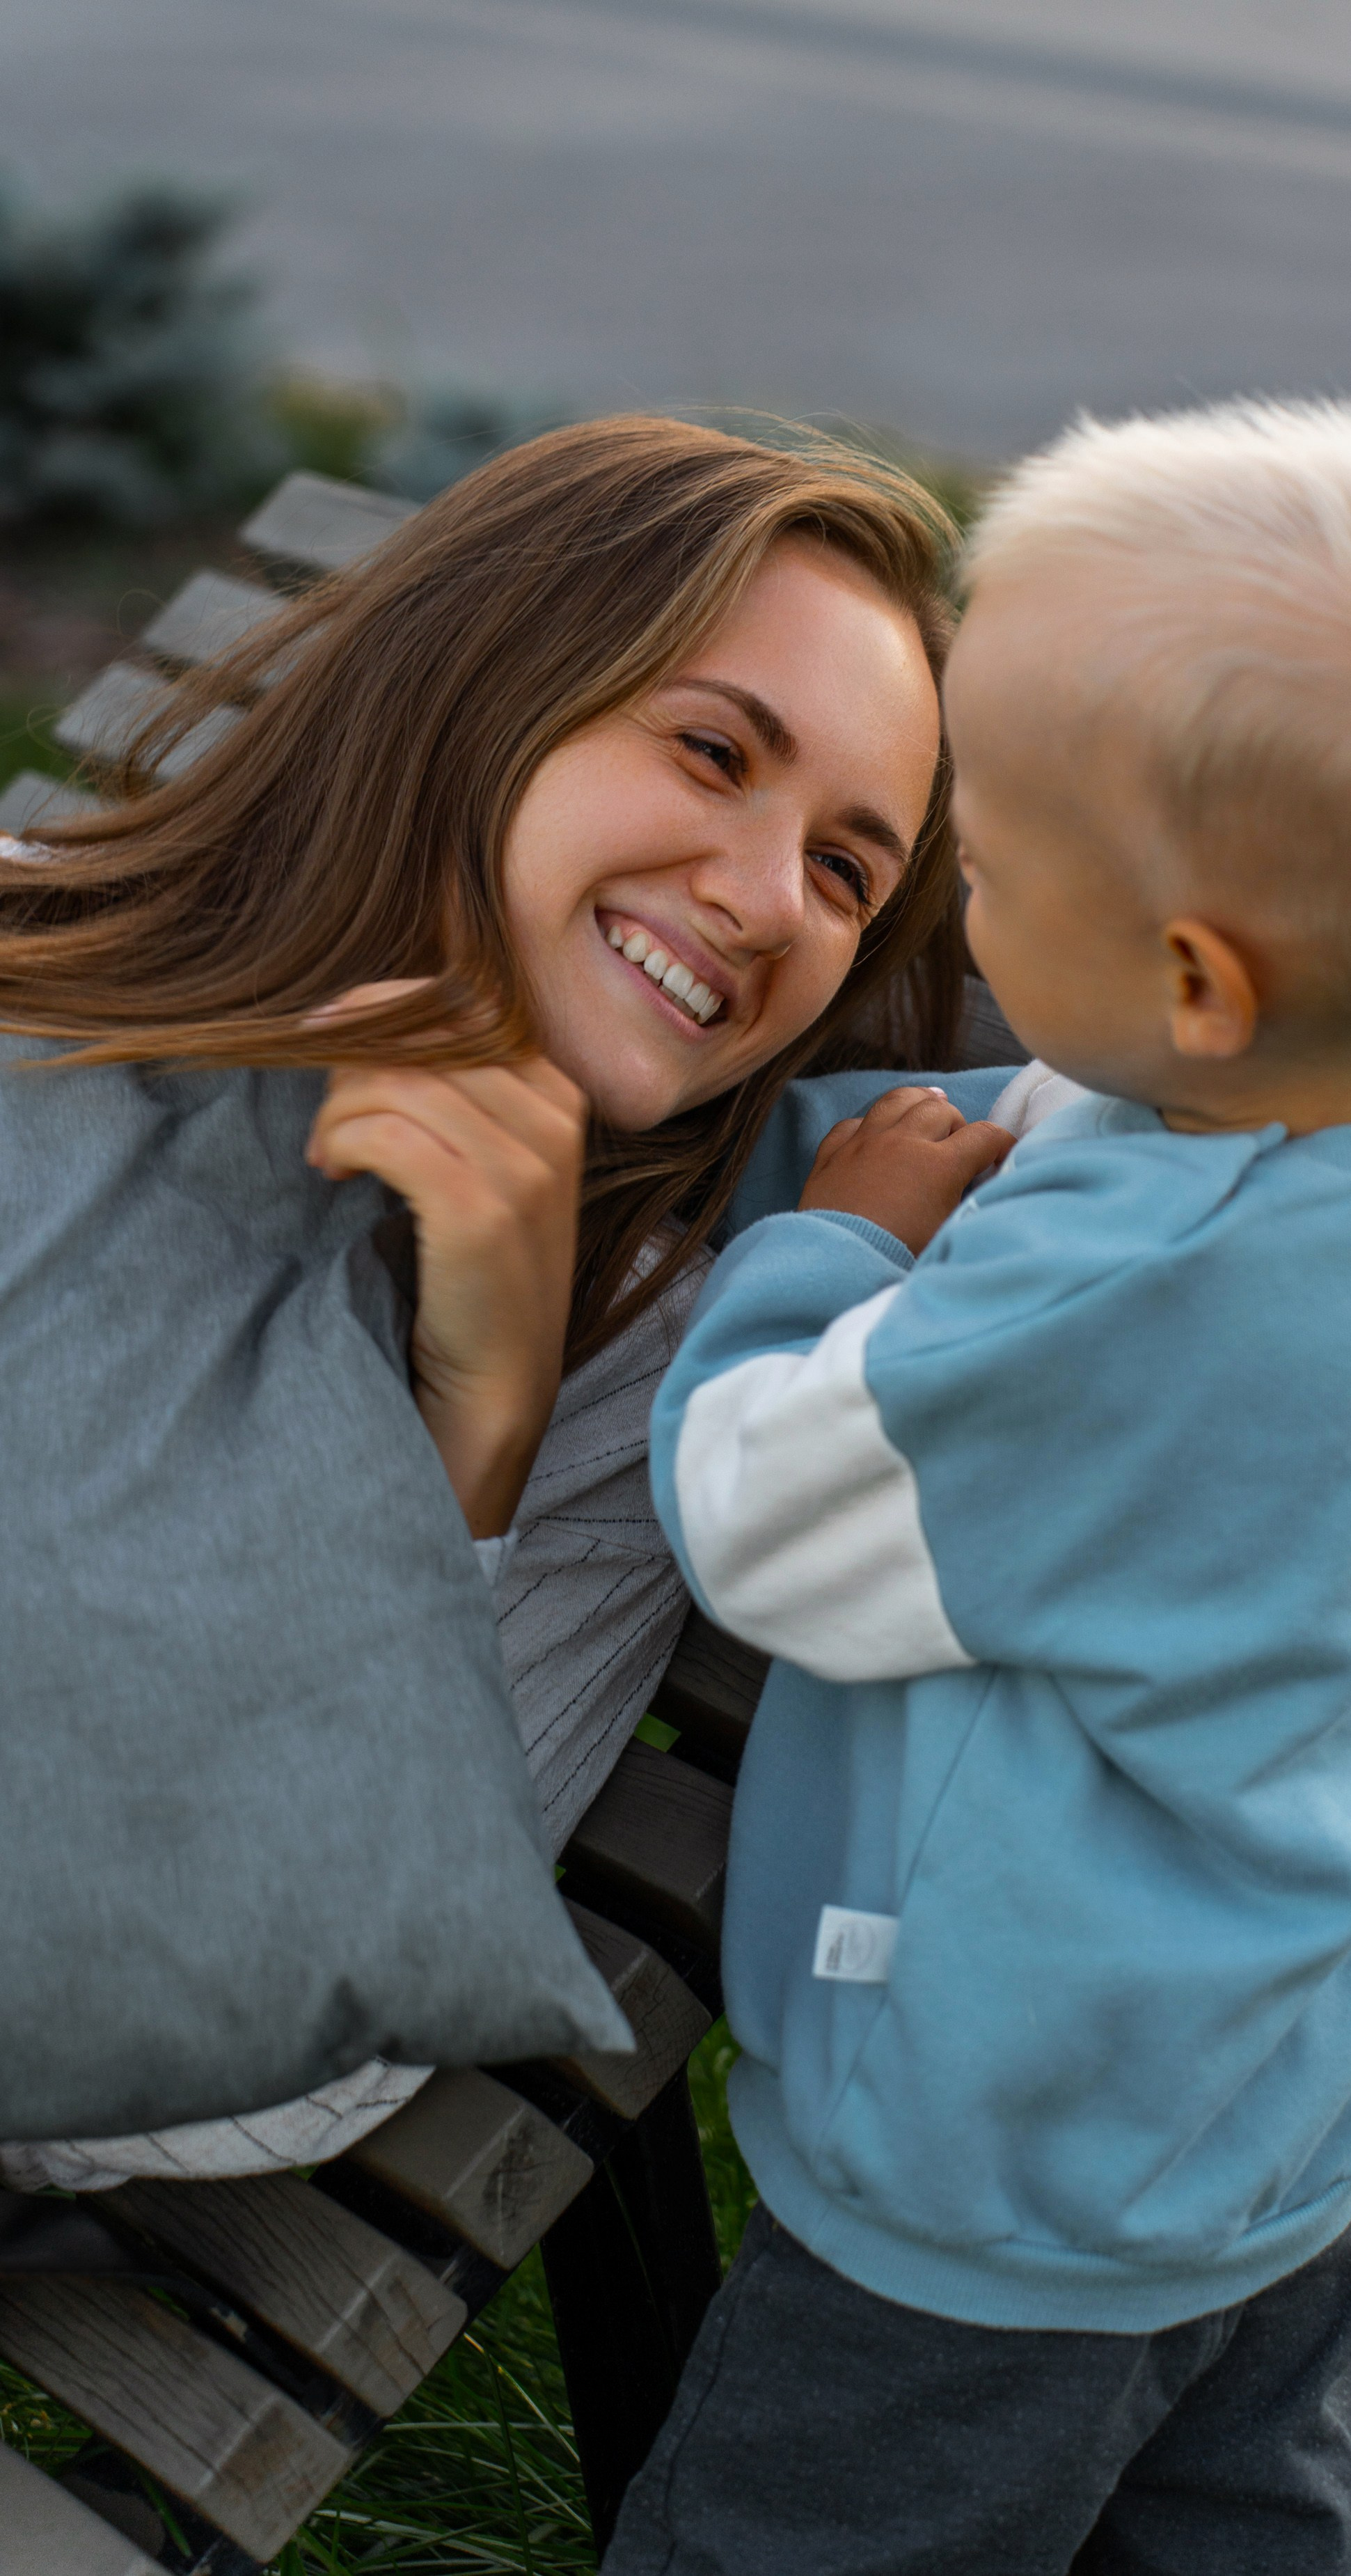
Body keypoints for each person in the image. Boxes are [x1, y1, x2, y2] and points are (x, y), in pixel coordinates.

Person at [627, 400, 1351, 2575]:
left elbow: (754, 1506)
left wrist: (833, 1253)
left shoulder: (1102, 1339)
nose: (954, 897)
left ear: (1188, 976)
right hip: (1276, 2092)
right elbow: (1093, 1117)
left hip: (1002, 2173)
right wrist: (891, 1124)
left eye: (985, 868)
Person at [0, 415, 1004, 2187]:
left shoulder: (635, 1383)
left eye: (846, 870)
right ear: (478, 691)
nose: (771, 899)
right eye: (711, 750)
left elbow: (253, 2079)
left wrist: (475, 1437)